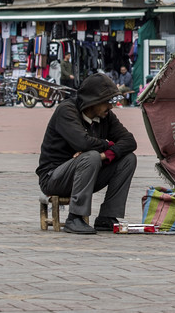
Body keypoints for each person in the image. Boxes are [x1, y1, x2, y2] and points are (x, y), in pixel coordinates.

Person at [36, 74, 137, 234]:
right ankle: (75, 217)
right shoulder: (66, 110)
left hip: (87, 172)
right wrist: (108, 145)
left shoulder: (105, 116)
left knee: (128, 159)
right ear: (93, 100)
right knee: (91, 156)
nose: (111, 107)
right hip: (54, 177)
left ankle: (107, 217)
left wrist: (105, 154)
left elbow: (130, 141)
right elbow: (82, 143)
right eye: (107, 102)